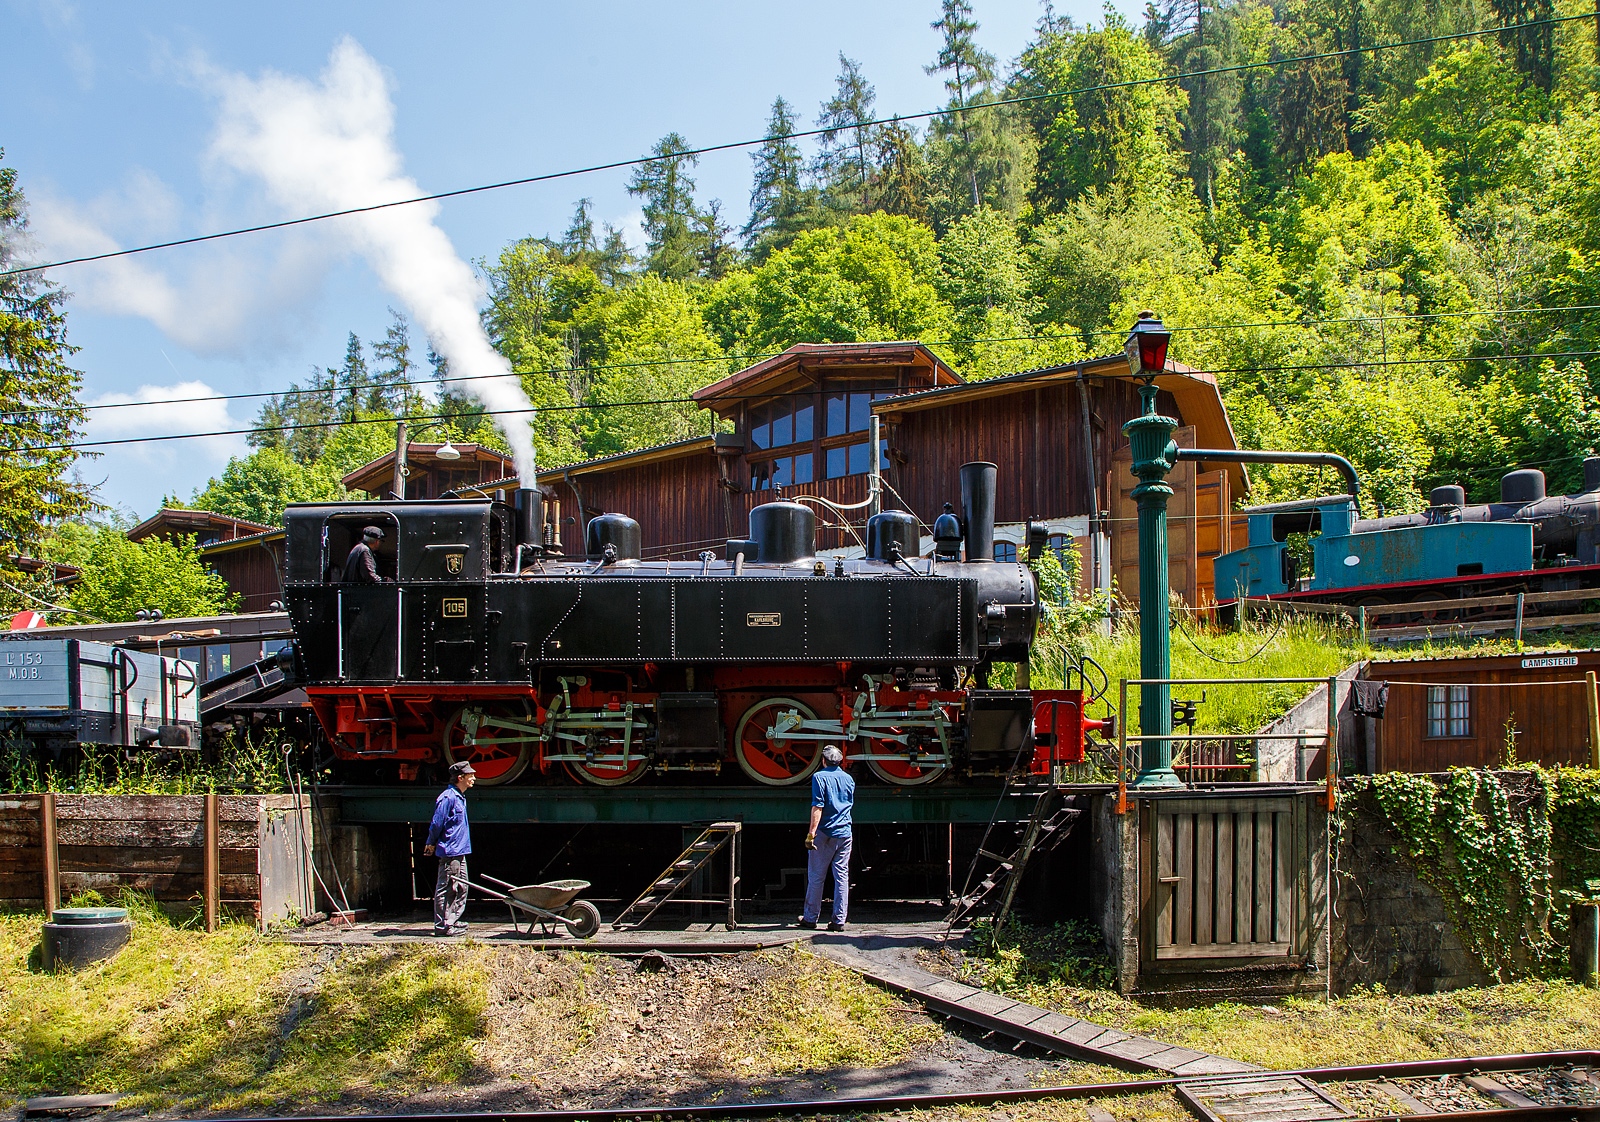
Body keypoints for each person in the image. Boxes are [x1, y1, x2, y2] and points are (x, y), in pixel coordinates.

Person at [799, 744, 855, 931]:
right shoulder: (849, 779)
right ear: (840, 761)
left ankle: (810, 918)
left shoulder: (819, 777)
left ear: (823, 760)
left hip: (825, 833)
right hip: (845, 833)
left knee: (816, 876)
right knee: (842, 876)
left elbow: (818, 807)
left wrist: (811, 834)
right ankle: (839, 920)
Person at [423, 760, 475, 935]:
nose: (473, 778)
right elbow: (437, 823)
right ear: (460, 778)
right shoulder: (448, 798)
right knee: (447, 888)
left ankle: (452, 920)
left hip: (460, 851)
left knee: (461, 887)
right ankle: (443, 926)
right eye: (470, 776)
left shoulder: (459, 796)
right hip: (451, 851)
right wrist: (431, 843)